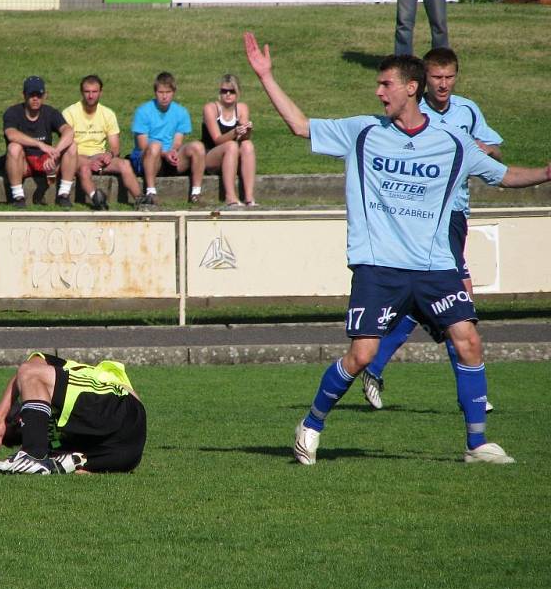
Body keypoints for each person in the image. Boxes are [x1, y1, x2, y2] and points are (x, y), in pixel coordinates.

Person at [244, 31, 551, 466]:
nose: (377, 91)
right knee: (362, 355)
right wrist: (266, 76)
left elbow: (502, 175)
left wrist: (545, 171)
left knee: (469, 342)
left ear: (411, 87)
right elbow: (300, 125)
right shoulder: (363, 131)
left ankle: (477, 443)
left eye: (385, 84)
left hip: (434, 266)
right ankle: (311, 424)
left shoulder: (451, 142)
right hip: (379, 266)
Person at [360, 47, 503, 411]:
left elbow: (495, 152)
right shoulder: (410, 114)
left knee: (428, 301)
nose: (443, 84)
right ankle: (474, 399)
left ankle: (374, 365)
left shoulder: (467, 111)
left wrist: (477, 149)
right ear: (422, 81)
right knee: (460, 302)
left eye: (449, 77)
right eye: (436, 77)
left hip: (458, 214)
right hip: (431, 217)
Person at [0, 352, 147, 474]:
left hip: (122, 410)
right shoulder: (48, 437)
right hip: (124, 452)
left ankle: (33, 456)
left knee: (29, 373)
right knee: (55, 458)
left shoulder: (62, 370)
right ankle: (37, 458)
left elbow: (28, 368)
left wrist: (0, 413)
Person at [62, 75, 142, 210]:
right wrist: (89, 161)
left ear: (100, 92)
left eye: (94, 92)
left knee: (124, 164)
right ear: (82, 93)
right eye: (87, 92)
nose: (91, 96)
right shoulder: (69, 113)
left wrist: (109, 155)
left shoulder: (108, 114)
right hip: (77, 158)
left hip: (99, 158)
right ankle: (98, 200)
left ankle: (141, 199)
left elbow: (116, 147)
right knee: (84, 169)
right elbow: (66, 147)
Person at [130, 72, 205, 206]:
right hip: (148, 157)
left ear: (174, 92)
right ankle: (151, 192)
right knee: (155, 146)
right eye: (160, 92)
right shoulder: (143, 111)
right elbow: (142, 145)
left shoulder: (181, 112)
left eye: (168, 92)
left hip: (168, 157)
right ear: (155, 92)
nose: (164, 96)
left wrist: (173, 151)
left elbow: (177, 142)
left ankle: (196, 193)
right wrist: (164, 153)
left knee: (198, 146)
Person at [3, 76, 77, 209]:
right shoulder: (13, 112)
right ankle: (18, 197)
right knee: (14, 147)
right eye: (31, 95)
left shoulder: (51, 112)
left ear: (45, 95)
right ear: (24, 95)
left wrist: (56, 152)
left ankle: (63, 195)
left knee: (72, 146)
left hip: (46, 161)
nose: (35, 98)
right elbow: (11, 134)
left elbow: (69, 131)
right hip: (24, 162)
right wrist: (40, 144)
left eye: (39, 94)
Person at [201, 74, 257, 208]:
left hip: (232, 156)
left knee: (247, 145)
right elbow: (217, 140)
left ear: (238, 93)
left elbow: (244, 138)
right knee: (231, 145)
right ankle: (230, 196)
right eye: (224, 91)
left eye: (231, 91)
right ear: (219, 93)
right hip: (211, 155)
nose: (227, 94)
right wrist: (234, 132)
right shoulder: (211, 108)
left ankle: (249, 197)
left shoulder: (242, 108)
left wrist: (247, 130)